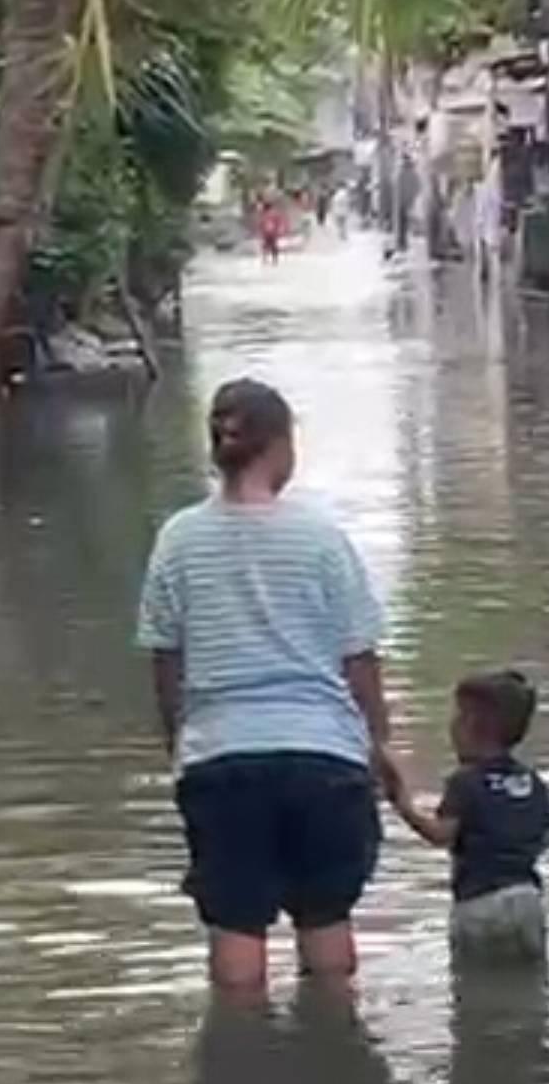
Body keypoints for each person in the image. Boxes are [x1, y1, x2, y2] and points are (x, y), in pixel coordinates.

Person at [137, 379, 404, 992]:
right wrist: (380, 746)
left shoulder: (178, 540)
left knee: (235, 934)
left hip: (221, 761)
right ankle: (335, 1055)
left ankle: (240, 1068)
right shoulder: (321, 539)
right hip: (324, 760)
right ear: (280, 446)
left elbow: (165, 661)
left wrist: (179, 742)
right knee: (327, 923)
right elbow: (359, 659)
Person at [390, 668, 549, 966]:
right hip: (527, 900)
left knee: (473, 989)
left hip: (479, 904)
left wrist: (403, 803)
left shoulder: (465, 781)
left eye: (456, 717)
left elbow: (441, 835)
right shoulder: (532, 781)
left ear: (470, 725)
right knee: (530, 983)